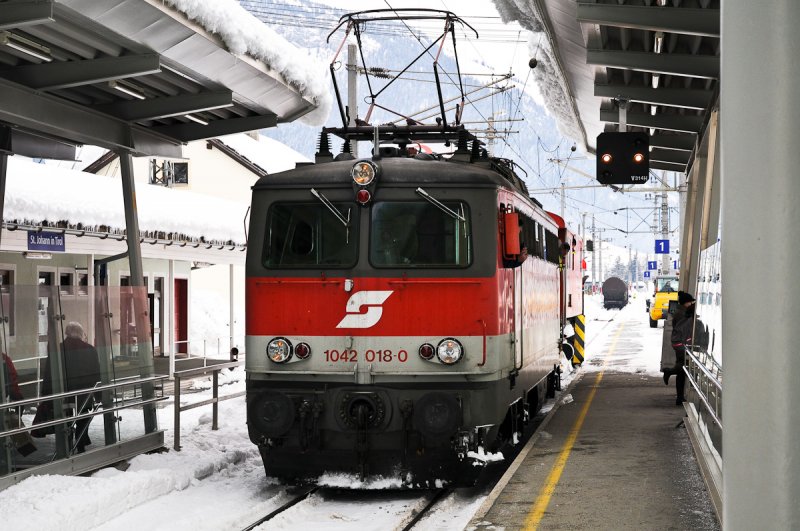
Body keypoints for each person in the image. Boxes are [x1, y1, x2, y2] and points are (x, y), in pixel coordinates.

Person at [40, 322, 102, 453]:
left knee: (65, 416)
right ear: (81, 333)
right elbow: (96, 373)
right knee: (83, 415)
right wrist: (99, 395)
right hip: (84, 392)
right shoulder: (90, 349)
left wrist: (45, 393)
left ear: (67, 333)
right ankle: (80, 442)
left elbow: (49, 372)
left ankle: (67, 442)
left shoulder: (57, 349)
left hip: (63, 391)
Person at [662, 291, 696, 404]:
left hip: (680, 343)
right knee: (684, 368)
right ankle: (669, 372)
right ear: (686, 303)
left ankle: (680, 397)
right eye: (690, 302)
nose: (691, 304)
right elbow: (687, 325)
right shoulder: (682, 313)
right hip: (681, 343)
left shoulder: (681, 311)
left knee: (682, 371)